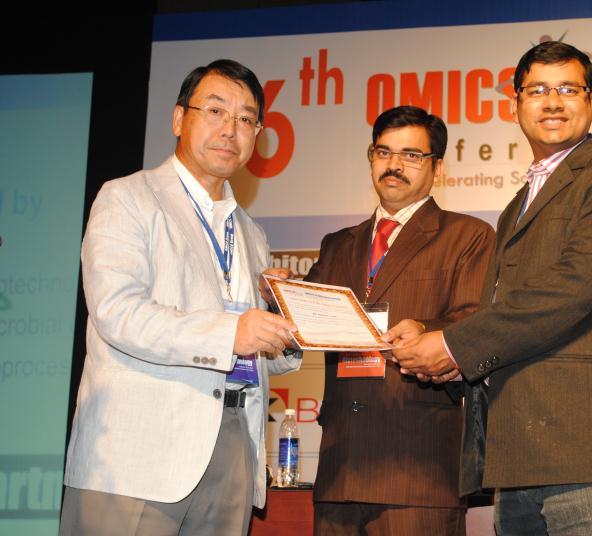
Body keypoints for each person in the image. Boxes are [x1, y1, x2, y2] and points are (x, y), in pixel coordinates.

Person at [390, 42, 592, 535]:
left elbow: (571, 289)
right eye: (537, 90)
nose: (552, 102)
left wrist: (453, 345)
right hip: (515, 455)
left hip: (586, 449)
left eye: (568, 89)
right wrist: (444, 350)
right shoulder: (516, 206)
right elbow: (505, 310)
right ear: (515, 104)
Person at [60, 59, 301, 536]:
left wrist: (283, 320)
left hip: (234, 444)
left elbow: (256, 352)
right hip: (137, 454)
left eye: (246, 118)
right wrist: (233, 332)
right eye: (215, 110)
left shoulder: (251, 234)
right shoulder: (128, 197)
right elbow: (118, 313)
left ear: (257, 135)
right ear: (178, 119)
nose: (230, 129)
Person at [304, 105, 495, 535]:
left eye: (411, 155)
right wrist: (280, 296)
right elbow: (306, 321)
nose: (394, 165)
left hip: (418, 468)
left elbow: (477, 322)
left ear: (438, 168)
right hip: (339, 466)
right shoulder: (338, 245)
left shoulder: (468, 236)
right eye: (383, 152)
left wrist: (425, 328)